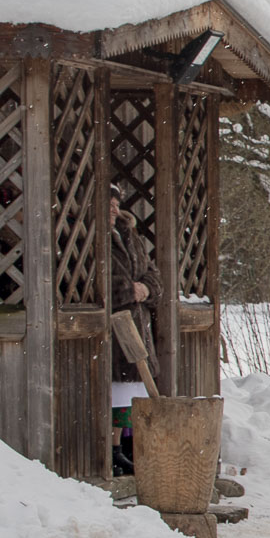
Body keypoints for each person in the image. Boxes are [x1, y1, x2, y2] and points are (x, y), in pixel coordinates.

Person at [107, 185, 160, 476]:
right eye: (109, 205)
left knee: (131, 390)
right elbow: (102, 281)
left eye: (116, 204)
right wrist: (130, 290)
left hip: (138, 322)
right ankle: (114, 450)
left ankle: (124, 448)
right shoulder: (96, 238)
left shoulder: (129, 234)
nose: (115, 210)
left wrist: (146, 288)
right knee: (117, 390)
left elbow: (153, 275)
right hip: (115, 325)